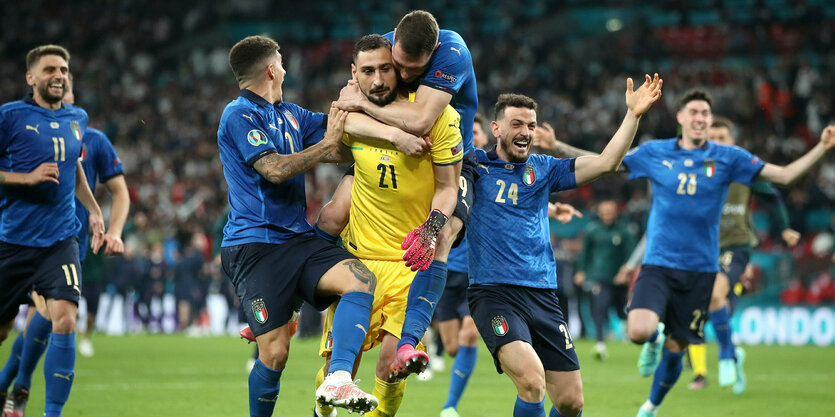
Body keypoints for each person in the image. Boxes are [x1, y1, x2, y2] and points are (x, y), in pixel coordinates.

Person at [622, 89, 835, 417]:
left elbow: (781, 181)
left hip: (714, 261)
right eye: (693, 112)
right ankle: (673, 343)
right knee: (639, 330)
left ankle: (654, 404)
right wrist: (558, 150)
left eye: (706, 114)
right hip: (662, 263)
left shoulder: (731, 160)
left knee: (685, 339)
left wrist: (821, 147)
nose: (701, 119)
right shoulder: (658, 154)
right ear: (680, 117)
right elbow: (606, 162)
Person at [468, 77, 662, 417]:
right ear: (496, 128)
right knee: (531, 381)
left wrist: (633, 115)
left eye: (530, 125)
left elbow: (605, 164)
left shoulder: (543, 169)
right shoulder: (474, 167)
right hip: (494, 293)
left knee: (571, 403)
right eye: (516, 124)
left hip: (543, 295)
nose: (525, 131)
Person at [217, 35, 378, 416]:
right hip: (255, 247)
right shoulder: (238, 114)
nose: (286, 67)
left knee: (360, 279)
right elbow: (272, 169)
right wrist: (327, 148)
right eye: (282, 61)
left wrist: (361, 104)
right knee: (274, 355)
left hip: (298, 240)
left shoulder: (291, 113)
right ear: (271, 69)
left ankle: (338, 379)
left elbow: (342, 141)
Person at [312, 34, 462, 417]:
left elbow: (448, 189)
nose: (378, 79)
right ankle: (320, 410)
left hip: (408, 264)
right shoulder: (346, 116)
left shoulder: (440, 117)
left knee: (391, 368)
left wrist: (430, 231)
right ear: (353, 75)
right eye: (367, 71)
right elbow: (332, 142)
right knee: (337, 372)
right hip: (358, 263)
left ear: (398, 70)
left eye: (385, 69)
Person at [331, 10, 480, 379]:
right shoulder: (381, 50)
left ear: (433, 54)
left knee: (441, 235)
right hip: (393, 146)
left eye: (415, 70)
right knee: (332, 214)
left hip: (450, 158)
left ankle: (408, 341)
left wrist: (364, 103)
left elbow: (420, 120)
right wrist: (386, 127)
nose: (405, 76)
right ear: (393, 42)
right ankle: (290, 304)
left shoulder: (453, 52)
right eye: (399, 66)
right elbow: (341, 105)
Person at [0, 72, 129, 417]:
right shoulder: (26, 129)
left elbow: (119, 191)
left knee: (48, 320)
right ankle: (12, 387)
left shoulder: (94, 140)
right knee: (32, 325)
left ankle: (20, 390)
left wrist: (113, 228)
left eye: (68, 90)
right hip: (20, 239)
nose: (64, 97)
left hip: (65, 244)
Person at [684, 117, 799, 392]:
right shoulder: (697, 169)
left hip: (735, 246)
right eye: (712, 138)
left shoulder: (743, 170)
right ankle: (727, 358)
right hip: (703, 249)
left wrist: (784, 229)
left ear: (733, 142)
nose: (717, 143)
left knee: (714, 297)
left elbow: (772, 195)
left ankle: (725, 357)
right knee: (705, 310)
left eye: (723, 137)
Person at [433, 113, 489, 417]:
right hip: (444, 269)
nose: (474, 135)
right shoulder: (444, 169)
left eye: (477, 131)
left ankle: (450, 406)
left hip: (474, 272)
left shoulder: (489, 172)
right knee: (453, 347)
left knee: (469, 334)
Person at [573, 198, 636, 360]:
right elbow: (584, 253)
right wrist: (581, 271)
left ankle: (627, 336)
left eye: (610, 211)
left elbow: (631, 254)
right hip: (599, 276)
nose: (607, 215)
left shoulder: (625, 230)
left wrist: (626, 273)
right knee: (599, 308)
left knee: (622, 310)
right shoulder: (592, 230)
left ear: (615, 212)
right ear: (599, 213)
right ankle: (600, 343)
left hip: (619, 279)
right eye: (604, 212)